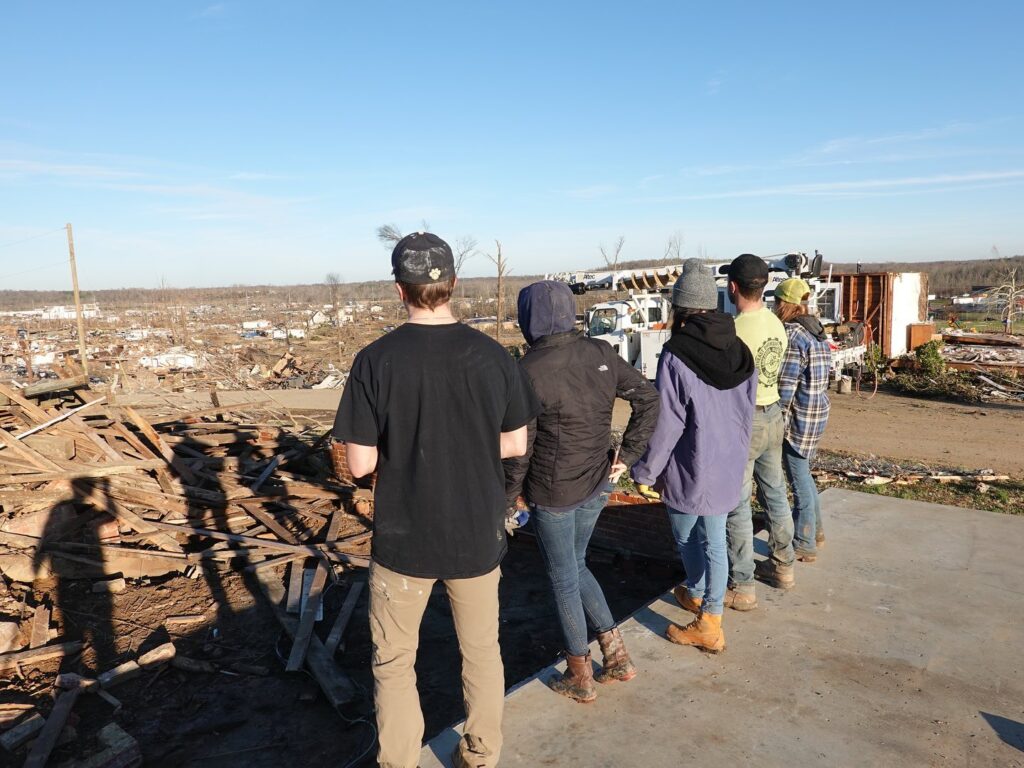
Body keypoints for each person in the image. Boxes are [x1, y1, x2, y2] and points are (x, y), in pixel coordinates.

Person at [332, 232, 541, 768]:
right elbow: (516, 443)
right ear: (452, 285)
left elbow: (359, 464)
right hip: (477, 535)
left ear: (399, 290)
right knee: (481, 653)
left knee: (395, 662)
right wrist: (466, 441)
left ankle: (399, 760)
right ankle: (480, 755)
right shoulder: (494, 357)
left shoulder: (375, 361)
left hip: (404, 541)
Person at [504, 280, 659, 703]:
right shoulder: (600, 352)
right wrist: (626, 455)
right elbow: (648, 398)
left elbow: (522, 449)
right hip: (598, 484)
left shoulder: (526, 371)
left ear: (528, 319)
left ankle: (579, 674)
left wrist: (509, 498)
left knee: (563, 578)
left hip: (553, 494)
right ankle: (617, 656)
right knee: (575, 564)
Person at [632, 260, 756, 653]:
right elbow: (748, 407)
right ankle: (700, 594)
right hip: (728, 460)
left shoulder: (676, 354)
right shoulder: (740, 349)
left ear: (680, 306)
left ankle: (710, 621)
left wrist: (646, 470)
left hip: (690, 463)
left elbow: (668, 424)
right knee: (712, 539)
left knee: (690, 536)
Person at [724, 254, 797, 610]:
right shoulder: (775, 323)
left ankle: (742, 585)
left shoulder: (735, 330)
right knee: (775, 493)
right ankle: (784, 567)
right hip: (773, 414)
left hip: (745, 421)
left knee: (738, 504)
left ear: (733, 286)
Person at [775, 277, 832, 562]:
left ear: (785, 304)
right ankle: (817, 532)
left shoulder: (793, 335)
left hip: (798, 418)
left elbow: (786, 386)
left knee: (797, 480)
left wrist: (774, 417)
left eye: (776, 302)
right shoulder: (817, 331)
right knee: (805, 475)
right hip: (817, 411)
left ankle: (804, 542)